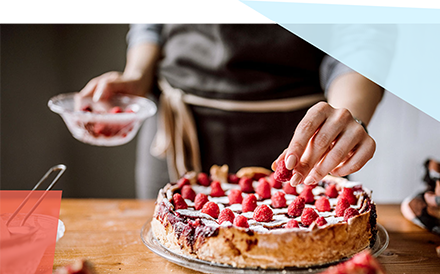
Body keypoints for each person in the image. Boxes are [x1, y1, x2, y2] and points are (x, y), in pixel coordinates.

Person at [79, 23, 385, 199]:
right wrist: (137, 74)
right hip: (177, 131)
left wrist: (346, 112)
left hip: (300, 141)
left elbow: (361, 28)